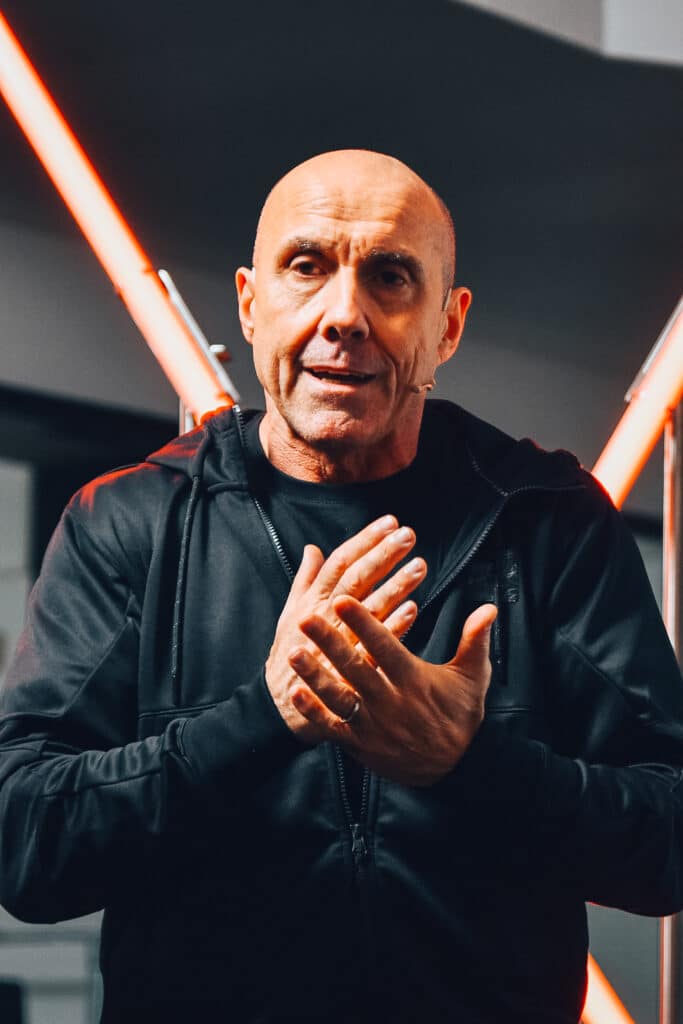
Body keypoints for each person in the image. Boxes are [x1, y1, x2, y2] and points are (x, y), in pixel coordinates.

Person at [1, 149, 682, 1024]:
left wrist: (472, 765)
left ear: (447, 325)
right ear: (251, 304)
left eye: (390, 277)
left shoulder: (548, 519)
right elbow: (26, 848)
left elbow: (667, 843)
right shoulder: (130, 522)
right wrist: (261, 718)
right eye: (306, 266)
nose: (344, 316)